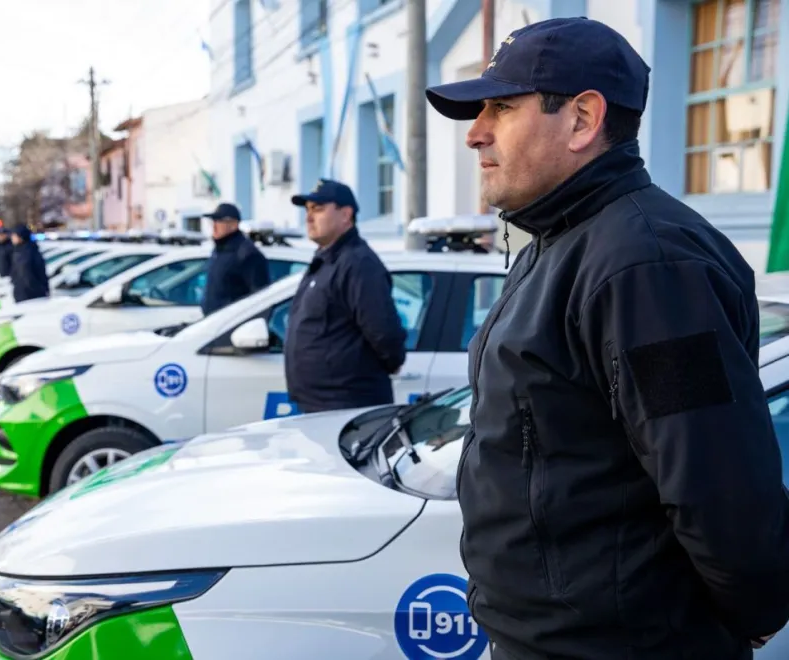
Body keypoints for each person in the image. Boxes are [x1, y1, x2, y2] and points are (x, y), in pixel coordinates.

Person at [425, 17, 789, 659]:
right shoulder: (563, 240)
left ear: (583, 118)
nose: (475, 133)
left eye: (502, 107)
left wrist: (756, 603)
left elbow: (713, 476)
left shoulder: (648, 267)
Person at [283, 179, 406, 413]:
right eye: (307, 210)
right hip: (322, 405)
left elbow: (383, 332)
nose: (309, 217)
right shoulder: (327, 260)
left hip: (346, 406)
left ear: (346, 214)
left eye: (318, 209)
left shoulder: (358, 264)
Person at [200, 202, 270, 314]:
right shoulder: (219, 250)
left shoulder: (247, 254)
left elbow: (259, 298)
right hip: (214, 324)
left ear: (233, 224)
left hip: (232, 325)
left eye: (219, 221)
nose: (214, 226)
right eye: (213, 221)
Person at [9, 225, 50, 303]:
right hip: (22, 294)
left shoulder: (29, 253)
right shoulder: (18, 251)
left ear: (21, 237)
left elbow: (29, 275)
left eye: (14, 236)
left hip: (31, 296)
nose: (12, 238)